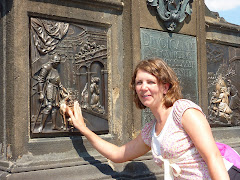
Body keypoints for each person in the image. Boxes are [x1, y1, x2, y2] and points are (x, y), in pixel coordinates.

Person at [65, 58, 240, 179]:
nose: (143, 87)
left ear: (165, 87)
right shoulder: (150, 131)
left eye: (150, 82)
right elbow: (118, 154)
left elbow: (213, 157)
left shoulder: (184, 111)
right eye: (139, 82)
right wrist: (84, 129)